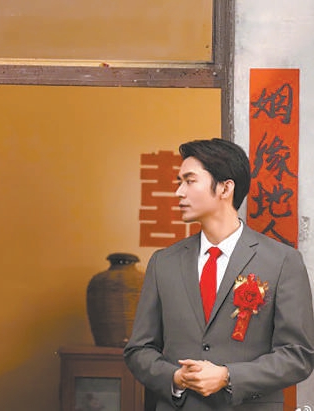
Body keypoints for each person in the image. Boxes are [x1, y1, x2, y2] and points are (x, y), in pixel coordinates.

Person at [124, 138, 314, 410]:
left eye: (189, 181)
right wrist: (175, 378)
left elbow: (298, 356)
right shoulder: (163, 263)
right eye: (179, 182)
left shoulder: (282, 262)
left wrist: (228, 376)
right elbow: (138, 350)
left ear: (225, 188)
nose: (179, 192)